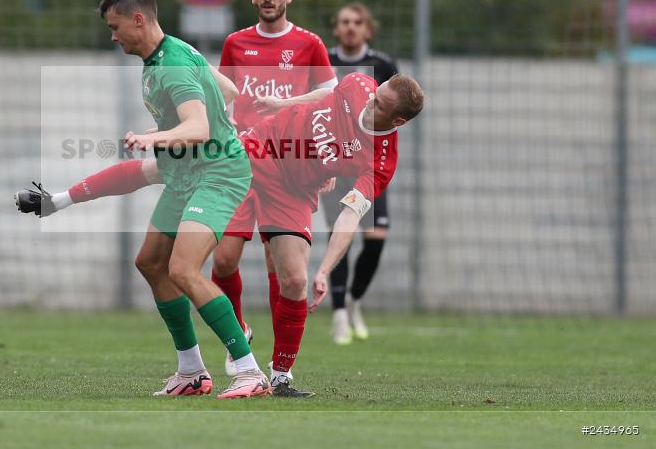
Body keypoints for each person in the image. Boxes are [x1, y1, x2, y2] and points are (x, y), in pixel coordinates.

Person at [21, 69, 425, 398]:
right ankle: (60, 199)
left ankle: (279, 376)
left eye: (381, 103)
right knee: (202, 231)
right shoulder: (358, 85)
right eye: (376, 92)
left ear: (398, 121)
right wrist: (283, 105)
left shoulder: (382, 160)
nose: (371, 99)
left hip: (295, 191)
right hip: (256, 152)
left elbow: (351, 214)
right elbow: (323, 98)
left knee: (297, 279)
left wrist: (326, 269)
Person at [19, 0, 270, 399]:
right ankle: (191, 371)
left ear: (139, 19)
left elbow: (201, 128)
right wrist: (57, 200)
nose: (113, 37)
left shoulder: (169, 65)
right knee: (151, 262)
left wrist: (159, 136)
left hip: (218, 173)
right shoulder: (172, 54)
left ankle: (249, 371)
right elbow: (227, 92)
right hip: (188, 171)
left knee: (183, 270)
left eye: (116, 27)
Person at [214, 0, 337, 378]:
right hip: (242, 161)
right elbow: (224, 95)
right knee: (224, 260)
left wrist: (326, 154)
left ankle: (280, 368)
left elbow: (329, 97)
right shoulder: (236, 43)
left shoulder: (308, 44)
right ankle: (240, 330)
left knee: (280, 267)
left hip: (288, 166)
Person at [320, 2, 399, 344]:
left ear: (367, 29)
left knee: (376, 237)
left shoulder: (383, 65)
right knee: (342, 232)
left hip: (368, 166)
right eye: (344, 22)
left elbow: (394, 114)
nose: (350, 27)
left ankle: (353, 301)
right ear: (336, 29)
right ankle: (338, 314)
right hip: (335, 165)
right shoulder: (324, 60)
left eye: (356, 22)